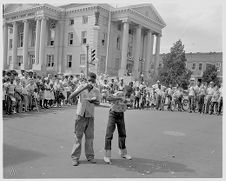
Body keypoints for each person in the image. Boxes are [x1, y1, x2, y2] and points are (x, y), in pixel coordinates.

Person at [69, 72, 100, 166]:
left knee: (90, 138)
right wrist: (84, 88)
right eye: (89, 80)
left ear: (95, 81)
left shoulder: (96, 90)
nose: (91, 82)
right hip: (80, 115)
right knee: (78, 137)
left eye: (93, 81)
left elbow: (98, 103)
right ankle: (75, 158)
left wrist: (94, 101)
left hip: (90, 116)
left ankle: (90, 157)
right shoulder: (81, 87)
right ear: (87, 80)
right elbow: (71, 97)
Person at [104, 90, 132, 164]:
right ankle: (107, 155)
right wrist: (119, 98)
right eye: (128, 92)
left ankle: (123, 152)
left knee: (122, 134)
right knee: (109, 134)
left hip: (121, 115)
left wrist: (127, 102)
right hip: (113, 114)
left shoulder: (128, 97)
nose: (128, 94)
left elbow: (130, 104)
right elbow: (108, 98)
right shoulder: (119, 93)